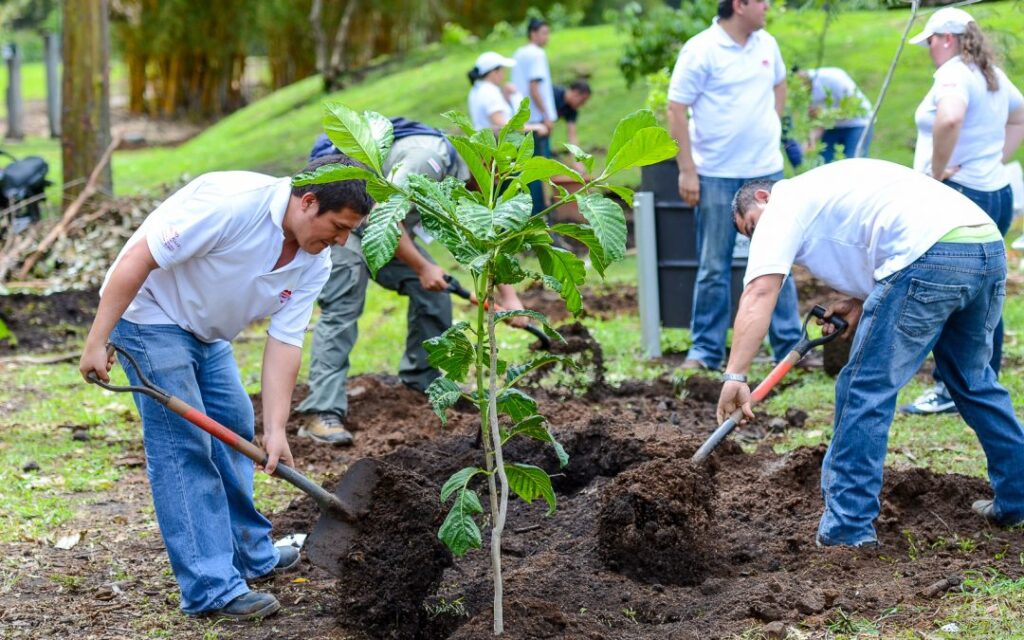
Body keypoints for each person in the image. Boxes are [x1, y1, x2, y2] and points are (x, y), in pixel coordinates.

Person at [78, 157, 373, 618]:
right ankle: (210, 587)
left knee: (234, 427)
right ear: (308, 201)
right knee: (185, 446)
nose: (339, 240)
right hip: (150, 314)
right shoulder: (235, 206)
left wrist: (276, 428)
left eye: (347, 233)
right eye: (336, 227)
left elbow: (286, 339)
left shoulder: (315, 259)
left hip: (207, 331)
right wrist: (98, 338)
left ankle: (248, 554)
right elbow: (141, 256)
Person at [718, 158, 1024, 547]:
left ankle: (847, 530)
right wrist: (862, 298)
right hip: (984, 245)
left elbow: (760, 292)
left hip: (930, 253)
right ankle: (1018, 498)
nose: (758, 234)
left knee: (864, 389)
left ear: (762, 196)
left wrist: (735, 375)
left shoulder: (783, 203)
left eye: (752, 225)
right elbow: (880, 238)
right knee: (973, 381)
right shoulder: (828, 187)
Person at [301, 118, 530, 445]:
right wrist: (423, 267)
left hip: (390, 235)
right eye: (498, 175)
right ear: (485, 160)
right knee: (343, 306)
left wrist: (510, 300)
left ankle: (422, 380)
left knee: (435, 294)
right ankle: (319, 414)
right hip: (348, 227)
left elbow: (483, 238)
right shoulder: (430, 157)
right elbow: (383, 216)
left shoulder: (462, 179)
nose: (497, 185)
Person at [900, 7, 1024, 416]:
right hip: (995, 191)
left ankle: (951, 388)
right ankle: (981, 378)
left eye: (930, 41)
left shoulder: (953, 73)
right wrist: (994, 158)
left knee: (950, 291)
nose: (928, 49)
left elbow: (950, 117)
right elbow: (1019, 115)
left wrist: (936, 173)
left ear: (947, 38)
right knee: (986, 290)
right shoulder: (989, 73)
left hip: (962, 194)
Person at [667, 0, 802, 371]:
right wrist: (687, 170)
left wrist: (769, 128)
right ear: (739, 5)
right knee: (714, 264)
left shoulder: (767, 44)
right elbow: (676, 108)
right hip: (715, 174)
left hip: (766, 172)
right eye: (761, 1)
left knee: (780, 259)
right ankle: (705, 350)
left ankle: (789, 349)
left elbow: (779, 84)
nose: (768, 6)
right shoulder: (701, 49)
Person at [512, 18, 558, 215]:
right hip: (537, 120)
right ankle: (540, 213)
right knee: (540, 169)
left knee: (526, 168)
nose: (546, 37)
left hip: (522, 117)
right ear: (533, 34)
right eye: (543, 33)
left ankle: (528, 214)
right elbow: (534, 87)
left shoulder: (519, 53)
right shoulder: (537, 54)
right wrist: (547, 115)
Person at [796, 66, 873, 163]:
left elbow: (851, 107)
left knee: (855, 162)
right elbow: (818, 121)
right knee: (825, 163)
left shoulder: (833, 79)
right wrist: (811, 139)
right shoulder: (800, 93)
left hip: (857, 122)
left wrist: (825, 114)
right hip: (831, 125)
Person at [467, 51, 548, 137]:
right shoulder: (489, 91)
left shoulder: (476, 89)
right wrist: (536, 127)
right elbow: (502, 125)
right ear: (494, 72)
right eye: (503, 70)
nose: (504, 75)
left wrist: (505, 97)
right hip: (495, 145)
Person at [553, 80, 592, 175]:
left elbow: (572, 135)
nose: (582, 105)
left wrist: (577, 161)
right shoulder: (553, 93)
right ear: (575, 93)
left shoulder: (572, 109)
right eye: (583, 101)